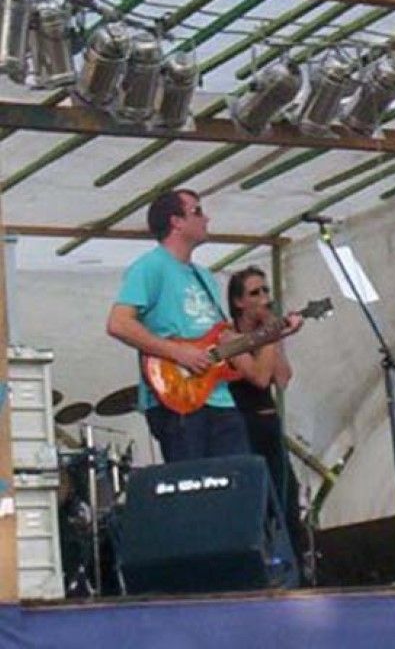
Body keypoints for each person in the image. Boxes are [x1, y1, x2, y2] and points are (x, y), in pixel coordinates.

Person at [107, 188, 252, 462]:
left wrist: (266, 334)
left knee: (238, 478)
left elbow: (219, 334)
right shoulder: (150, 266)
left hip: (219, 396)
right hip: (177, 396)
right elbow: (119, 323)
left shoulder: (204, 276)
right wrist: (178, 352)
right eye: (197, 211)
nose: (206, 218)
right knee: (193, 482)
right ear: (176, 222)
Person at [226, 265, 306, 573]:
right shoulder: (231, 338)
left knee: (288, 496)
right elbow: (259, 378)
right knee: (257, 501)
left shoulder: (264, 338)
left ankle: (296, 568)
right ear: (239, 302)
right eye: (255, 293)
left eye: (265, 291)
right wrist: (272, 334)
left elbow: (282, 377)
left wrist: (273, 337)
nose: (264, 298)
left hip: (269, 423)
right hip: (245, 426)